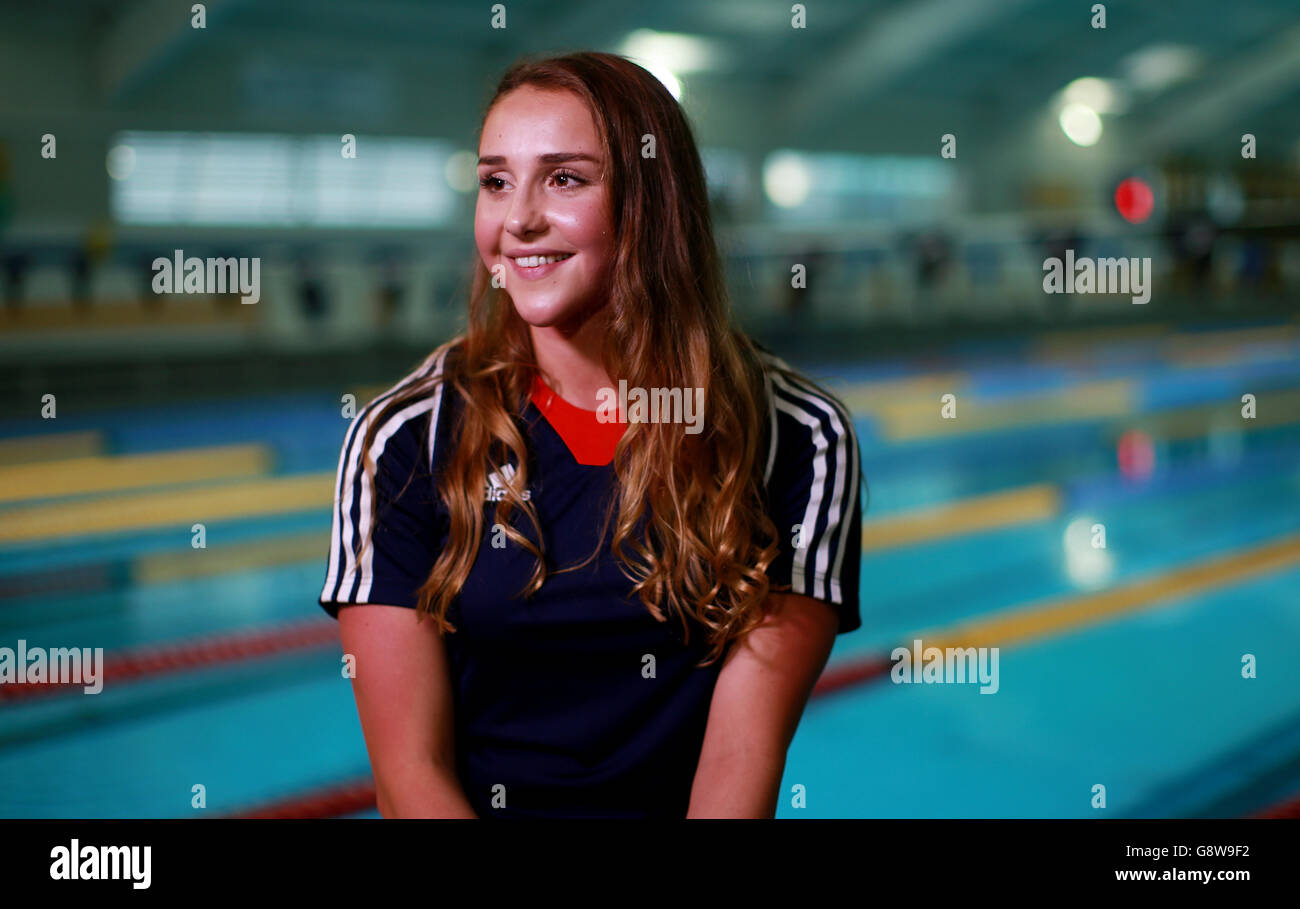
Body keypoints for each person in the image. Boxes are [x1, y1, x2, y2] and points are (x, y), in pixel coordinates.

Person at [318, 51, 865, 819]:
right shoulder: (406, 442)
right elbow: (413, 775)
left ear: (652, 203)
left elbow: (739, 764)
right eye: (496, 181)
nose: (518, 220)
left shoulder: (796, 438)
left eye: (565, 178)